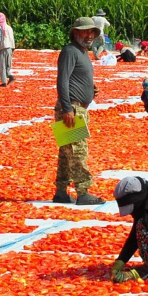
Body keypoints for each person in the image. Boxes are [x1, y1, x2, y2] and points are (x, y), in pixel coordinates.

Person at [53, 17, 104, 205]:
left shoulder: (82, 52)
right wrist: (67, 108)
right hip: (71, 109)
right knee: (77, 151)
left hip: (78, 107)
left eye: (92, 32)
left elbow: (76, 78)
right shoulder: (70, 51)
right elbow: (63, 80)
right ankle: (83, 192)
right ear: (75, 32)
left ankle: (61, 192)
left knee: (67, 152)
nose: (89, 35)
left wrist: (91, 89)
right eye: (85, 31)